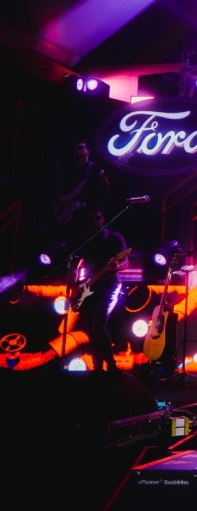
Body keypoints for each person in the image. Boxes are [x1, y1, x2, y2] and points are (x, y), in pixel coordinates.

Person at [70, 204, 128, 373]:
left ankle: (111, 365)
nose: (95, 221)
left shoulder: (114, 238)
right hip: (88, 286)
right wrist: (74, 285)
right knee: (91, 327)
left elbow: (125, 262)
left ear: (103, 219)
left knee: (98, 324)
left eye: (98, 217)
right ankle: (97, 366)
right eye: (91, 219)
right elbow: (75, 264)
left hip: (109, 285)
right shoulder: (84, 240)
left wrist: (117, 266)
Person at [53, 139, 111, 236]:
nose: (77, 150)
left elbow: (106, 188)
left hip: (86, 209)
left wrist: (93, 201)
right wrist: (62, 199)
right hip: (70, 210)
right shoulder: (68, 170)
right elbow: (60, 189)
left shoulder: (95, 169)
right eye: (75, 148)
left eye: (81, 147)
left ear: (88, 151)